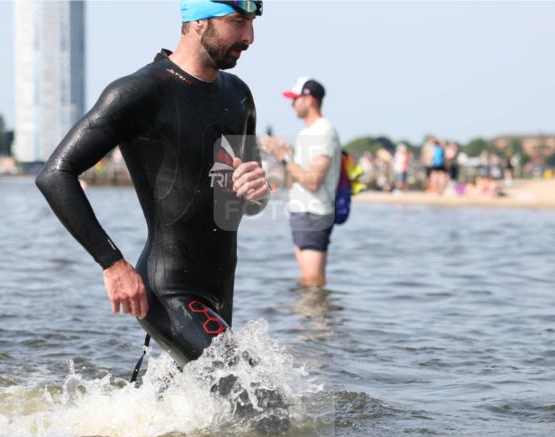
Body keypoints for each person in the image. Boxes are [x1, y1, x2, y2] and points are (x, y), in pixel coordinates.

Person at [35, 0, 269, 369]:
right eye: (237, 22)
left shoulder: (238, 96)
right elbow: (55, 174)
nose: (249, 36)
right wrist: (112, 264)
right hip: (168, 290)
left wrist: (257, 192)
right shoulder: (140, 92)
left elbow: (241, 201)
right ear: (196, 22)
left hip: (220, 291)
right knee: (260, 402)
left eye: (252, 23)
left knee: (207, 416)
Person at [265, 77, 342, 287]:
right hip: (303, 212)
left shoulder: (323, 131)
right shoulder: (306, 132)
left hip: (314, 213)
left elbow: (313, 181)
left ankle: (317, 318)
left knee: (312, 281)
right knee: (309, 281)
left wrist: (285, 157)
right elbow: (294, 178)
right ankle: (308, 318)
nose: (292, 104)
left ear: (309, 99)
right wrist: (280, 155)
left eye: (295, 99)